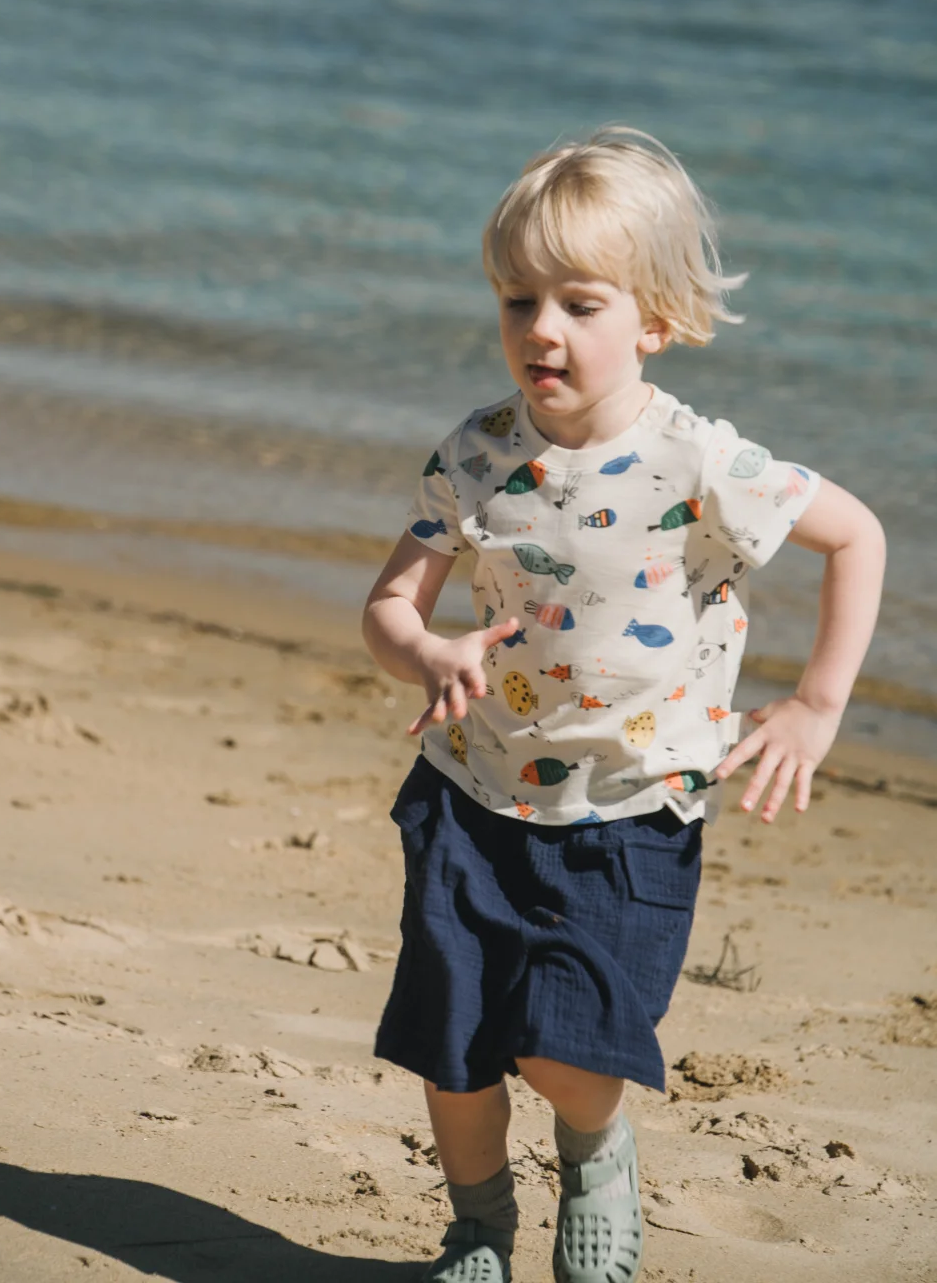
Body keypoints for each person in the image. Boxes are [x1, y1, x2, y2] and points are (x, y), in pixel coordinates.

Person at [360, 127, 885, 1283]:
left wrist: (817, 704)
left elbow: (857, 534)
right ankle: (479, 1227)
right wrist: (425, 651)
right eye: (518, 299)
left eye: (579, 304)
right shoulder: (479, 453)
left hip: (632, 809)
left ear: (652, 321)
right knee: (456, 1058)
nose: (540, 329)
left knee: (569, 1052)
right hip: (472, 793)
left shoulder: (700, 462)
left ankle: (595, 1154)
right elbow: (392, 603)